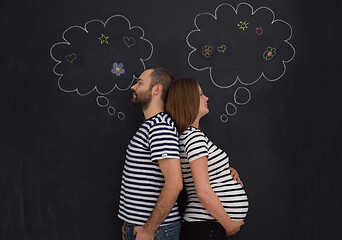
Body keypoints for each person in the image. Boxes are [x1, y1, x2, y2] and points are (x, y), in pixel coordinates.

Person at [165, 78, 249, 240]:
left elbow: (198, 173)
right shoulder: (194, 138)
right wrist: (229, 225)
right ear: (188, 100)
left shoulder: (189, 136)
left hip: (206, 226)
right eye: (201, 94)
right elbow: (203, 192)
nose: (207, 98)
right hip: (207, 226)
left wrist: (226, 171)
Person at [118, 68, 183, 240]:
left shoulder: (160, 127)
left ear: (156, 89)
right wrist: (130, 219)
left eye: (140, 83)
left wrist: (149, 229)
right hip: (143, 227)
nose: (133, 87)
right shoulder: (152, 125)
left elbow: (175, 183)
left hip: (157, 231)